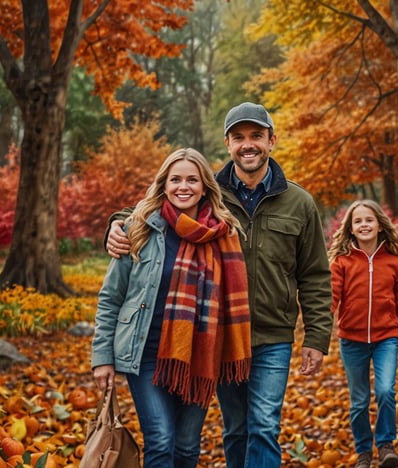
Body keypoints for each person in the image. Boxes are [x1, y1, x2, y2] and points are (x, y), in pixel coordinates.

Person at [105, 102, 333, 467]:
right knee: (237, 428)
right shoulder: (210, 192)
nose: (248, 144)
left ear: (271, 141)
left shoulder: (299, 202)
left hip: (273, 336)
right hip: (222, 336)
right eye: (239, 137)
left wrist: (317, 338)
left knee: (264, 425)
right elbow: (159, 209)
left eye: (256, 136)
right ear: (227, 144)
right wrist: (116, 226)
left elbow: (315, 275)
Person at [91, 148, 252, 468]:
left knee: (188, 447)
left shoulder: (223, 234)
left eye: (192, 179)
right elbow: (110, 297)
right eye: (175, 179)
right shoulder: (136, 229)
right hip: (145, 355)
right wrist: (102, 358)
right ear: (164, 184)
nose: (183, 186)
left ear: (205, 186)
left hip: (200, 357)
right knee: (161, 440)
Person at [328, 199, 398, 468]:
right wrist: (319, 333)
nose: (364, 224)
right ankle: (364, 452)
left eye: (369, 220)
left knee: (385, 391)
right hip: (351, 340)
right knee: (359, 401)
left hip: (386, 339)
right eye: (358, 221)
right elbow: (331, 300)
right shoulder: (342, 263)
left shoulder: (393, 263)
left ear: (380, 225)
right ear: (351, 228)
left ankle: (385, 445)